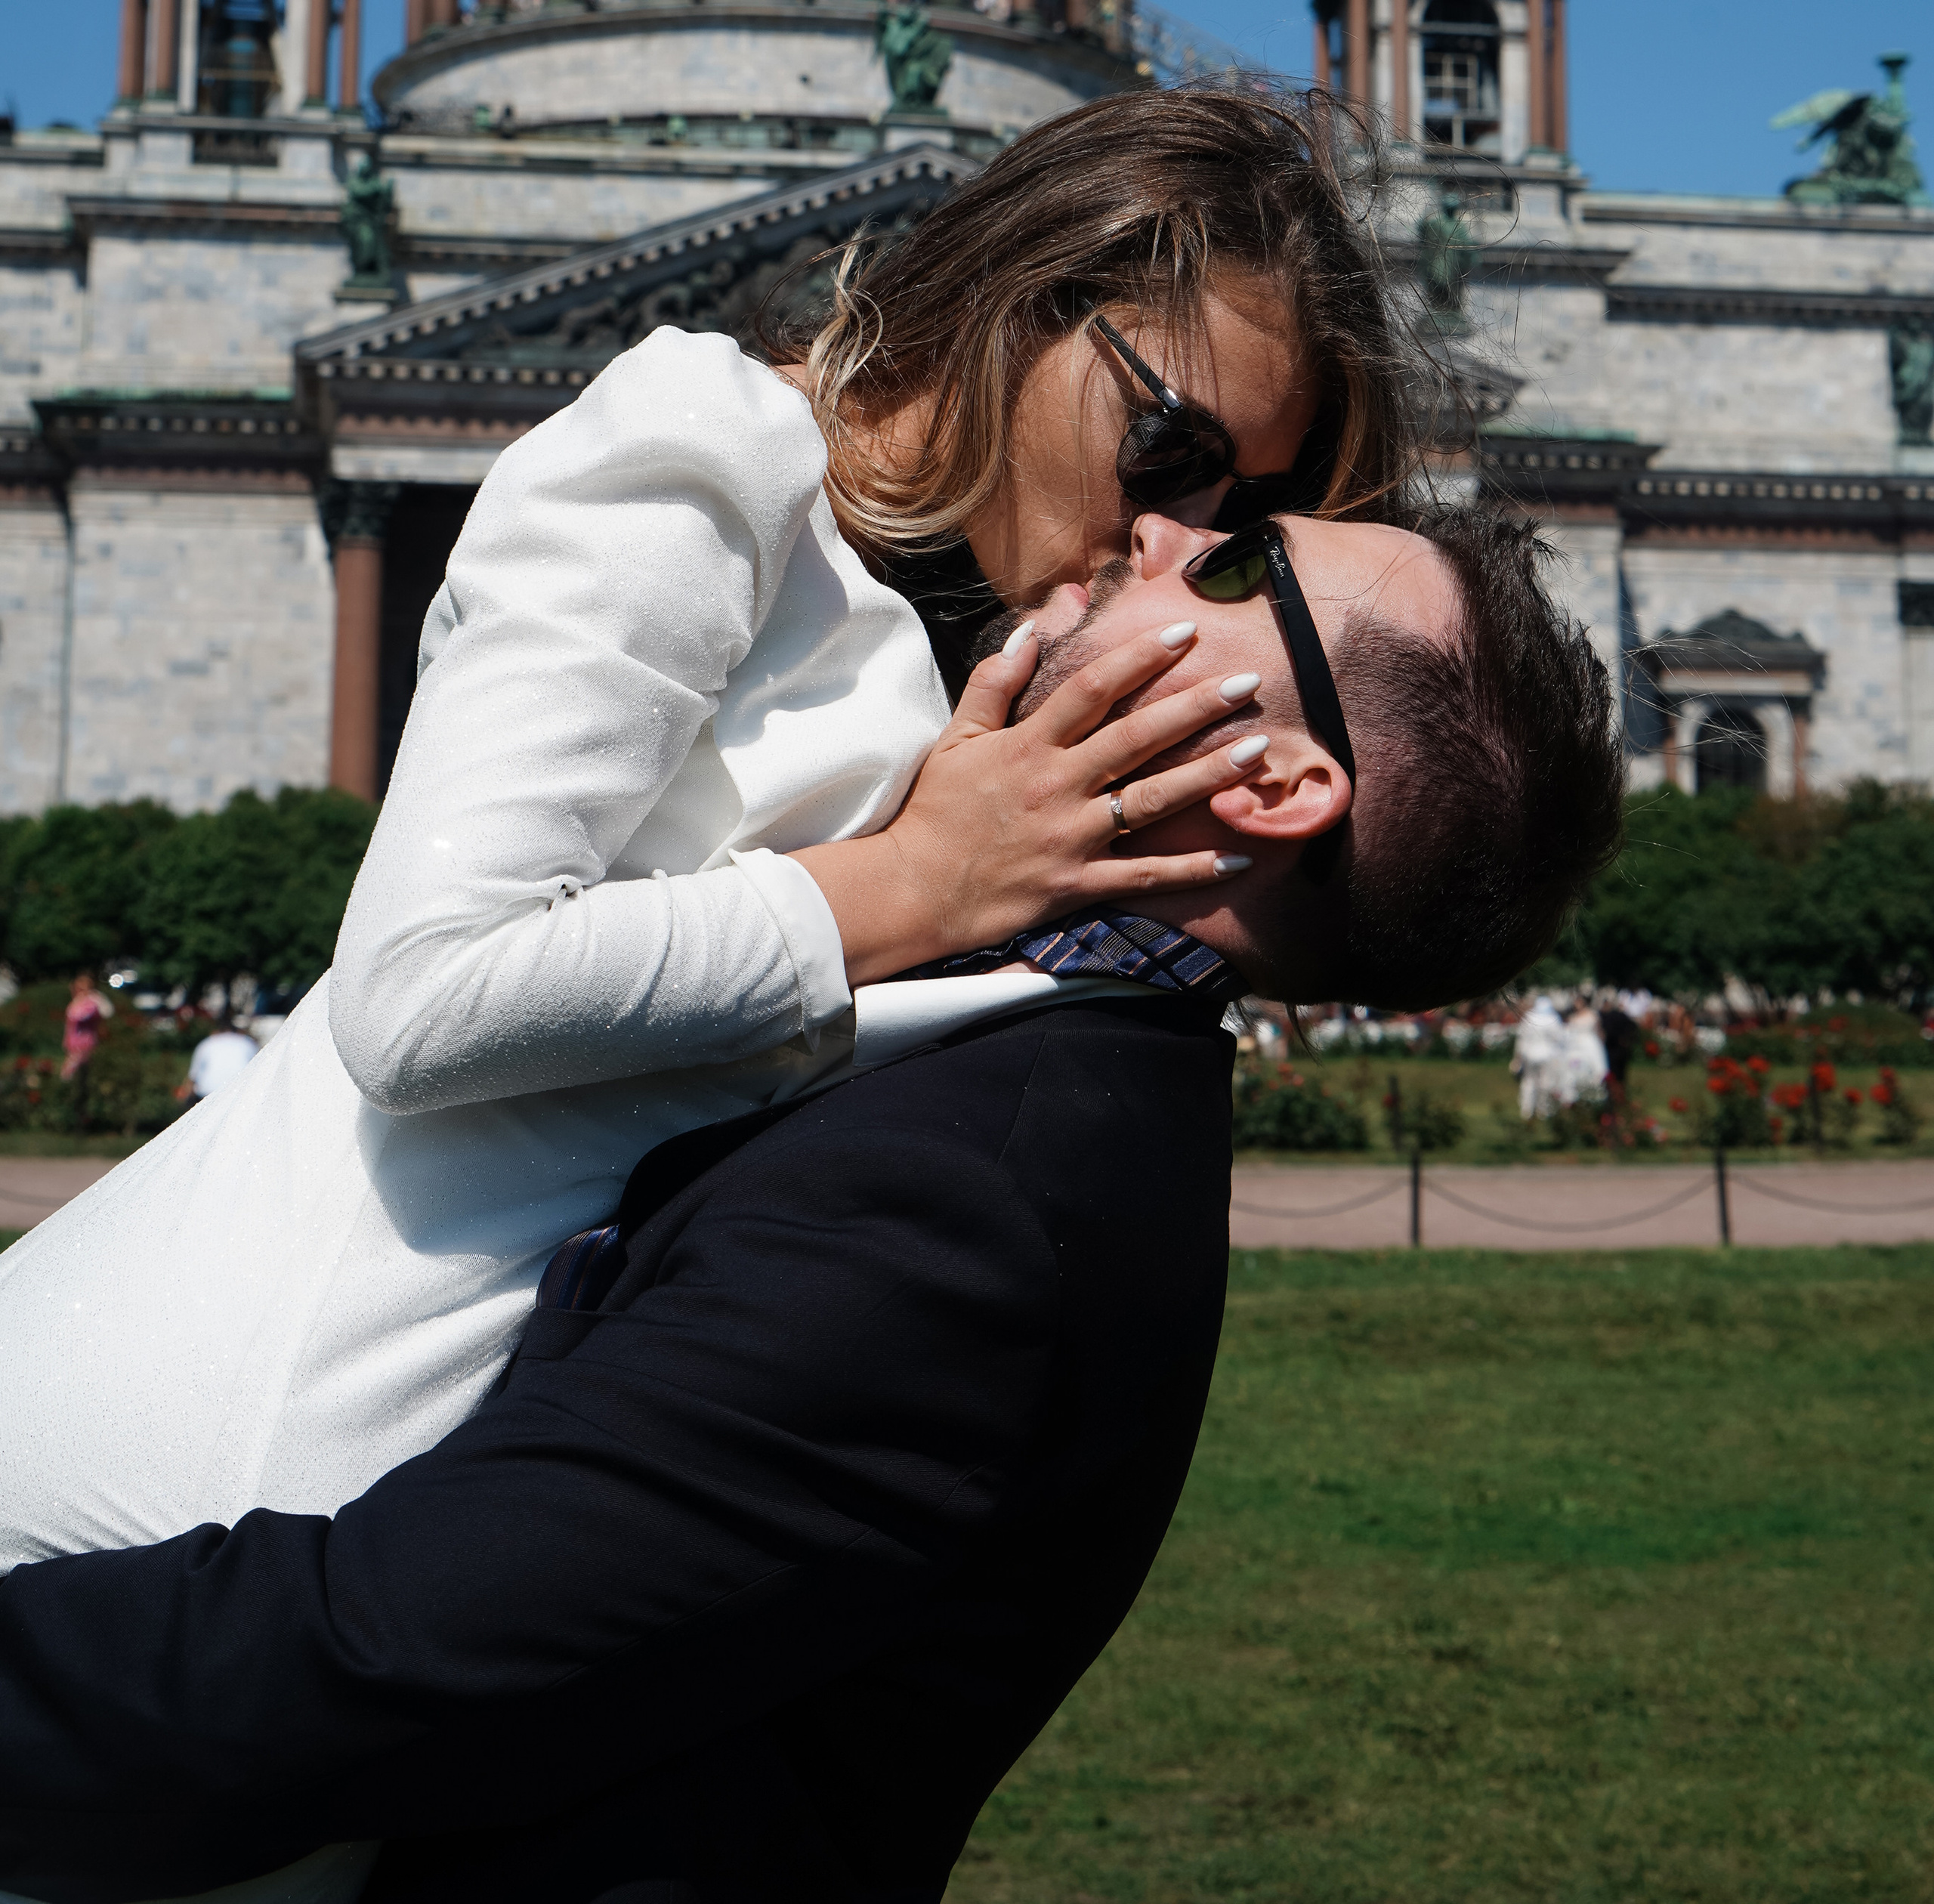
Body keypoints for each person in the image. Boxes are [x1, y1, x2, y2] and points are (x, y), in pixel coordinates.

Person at [0, 500, 1623, 1904]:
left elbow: (360, 1666)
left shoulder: (979, 1205)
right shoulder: (1005, 1050)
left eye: (1239, 561)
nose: (1159, 526)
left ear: (1269, 784)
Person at [0, 86, 1413, 1575]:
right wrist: (919, 880)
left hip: (419, 1536)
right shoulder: (715, 444)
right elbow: (422, 995)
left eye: (1243, 518)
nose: (1175, 535)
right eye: (1171, 446)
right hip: (179, 1460)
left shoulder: (985, 647)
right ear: (1025, 296)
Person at [175, 1015, 258, 1107]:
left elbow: (192, 1078)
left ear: (215, 1031)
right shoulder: (248, 1043)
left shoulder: (206, 1044)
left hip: (208, 1094)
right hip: (241, 1093)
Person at [1511, 991, 1566, 1118]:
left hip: (1529, 1054)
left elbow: (1521, 1039)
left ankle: (1527, 1109)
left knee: (1528, 1081)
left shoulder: (1529, 1017)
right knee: (1545, 1082)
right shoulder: (1553, 1018)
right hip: (1547, 1055)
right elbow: (1559, 1039)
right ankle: (1543, 1109)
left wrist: (1517, 1057)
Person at [57, 974, 108, 1083]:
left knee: (71, 1073)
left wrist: (93, 998)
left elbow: (79, 1016)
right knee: (78, 1073)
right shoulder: (77, 1002)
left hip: (84, 1042)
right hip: (74, 1041)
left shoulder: (90, 1002)